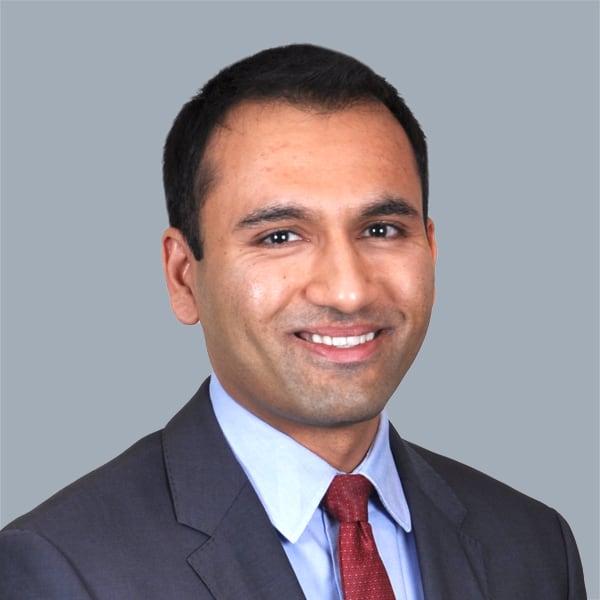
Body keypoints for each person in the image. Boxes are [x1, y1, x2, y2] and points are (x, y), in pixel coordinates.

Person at [0, 44, 586, 600]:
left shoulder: (535, 547)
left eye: (381, 230)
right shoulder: (62, 568)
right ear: (184, 276)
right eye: (280, 236)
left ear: (431, 249)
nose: (349, 291)